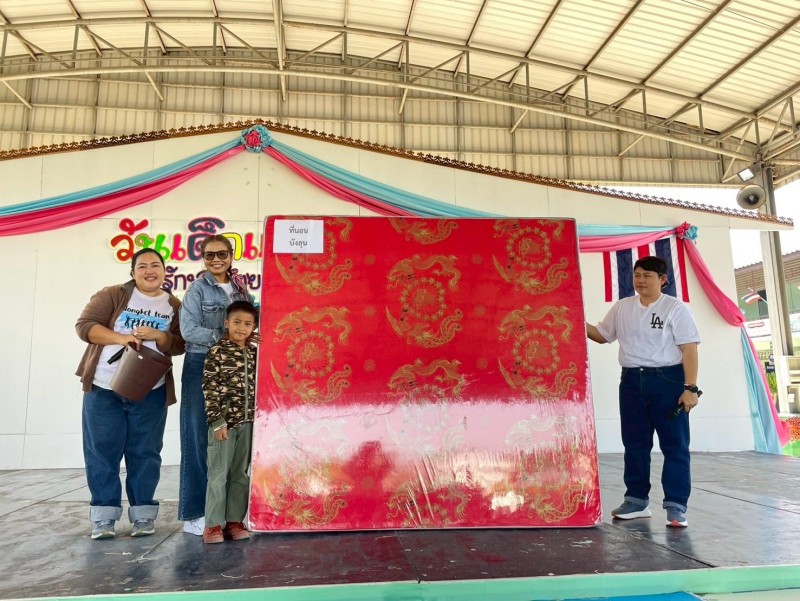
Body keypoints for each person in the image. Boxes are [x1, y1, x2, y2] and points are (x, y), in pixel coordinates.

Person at [75, 248, 185, 540]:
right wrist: (122, 338)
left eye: (156, 265)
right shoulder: (113, 295)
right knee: (102, 451)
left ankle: (143, 515)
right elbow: (85, 327)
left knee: (145, 453)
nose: (150, 271)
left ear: (164, 270)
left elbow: (179, 344)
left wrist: (160, 336)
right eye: (143, 266)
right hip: (104, 387)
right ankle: (103, 517)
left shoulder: (174, 305)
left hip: (150, 390)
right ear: (133, 272)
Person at [586, 255, 700, 528]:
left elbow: (689, 349)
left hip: (668, 380)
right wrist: (574, 317)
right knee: (634, 443)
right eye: (637, 275)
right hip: (631, 381)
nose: (640, 280)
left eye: (647, 276)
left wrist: (690, 388)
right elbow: (602, 335)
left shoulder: (675, 308)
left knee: (674, 445)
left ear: (662, 279)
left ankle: (676, 506)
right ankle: (636, 501)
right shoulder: (623, 307)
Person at [178, 235, 255, 535]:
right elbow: (188, 330)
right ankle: (196, 514)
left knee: (231, 444)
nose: (216, 260)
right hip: (202, 362)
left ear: (231, 255)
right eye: (209, 255)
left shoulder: (240, 288)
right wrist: (222, 337)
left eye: (222, 254)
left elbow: (249, 321)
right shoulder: (197, 290)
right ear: (203, 258)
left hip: (237, 366)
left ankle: (230, 516)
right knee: (199, 437)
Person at [201, 300, 259, 544]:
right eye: (236, 322)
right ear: (226, 323)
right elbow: (209, 387)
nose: (241, 328)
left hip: (249, 423)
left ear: (254, 327)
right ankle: (213, 525)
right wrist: (217, 421)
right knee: (218, 474)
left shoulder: (255, 353)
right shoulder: (217, 352)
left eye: (247, 324)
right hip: (224, 425)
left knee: (240, 474)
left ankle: (235, 521)